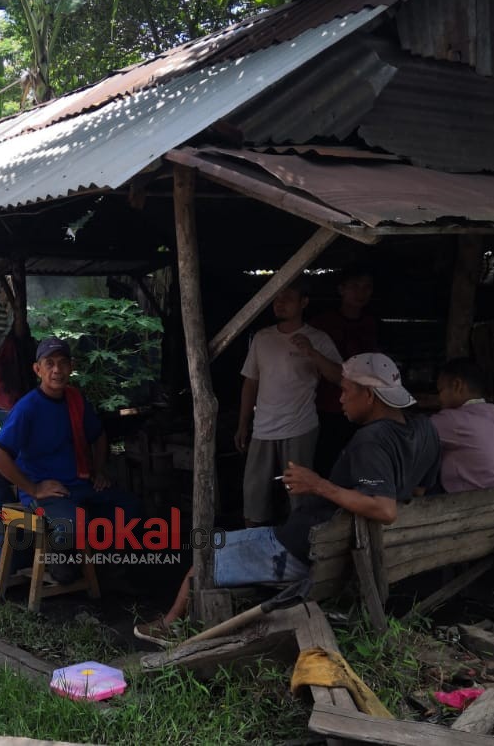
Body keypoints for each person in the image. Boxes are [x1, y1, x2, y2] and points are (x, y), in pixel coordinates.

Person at [135, 353, 440, 647]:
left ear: (370, 395)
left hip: (301, 551)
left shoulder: (371, 440)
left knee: (207, 550)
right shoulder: (425, 430)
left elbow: (385, 509)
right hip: (345, 550)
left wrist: (317, 485)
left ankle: (170, 626)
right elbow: (417, 494)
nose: (340, 399)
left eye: (346, 391)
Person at [0, 336, 142, 577]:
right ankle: (60, 566)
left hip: (80, 485)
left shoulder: (75, 399)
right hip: (48, 492)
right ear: (38, 369)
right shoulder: (28, 408)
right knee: (71, 534)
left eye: (62, 363)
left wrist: (99, 470)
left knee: (130, 508)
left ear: (71, 367)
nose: (57, 370)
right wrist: (34, 488)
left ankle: (112, 572)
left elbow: (99, 435)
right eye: (49, 363)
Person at [235, 279, 342, 527]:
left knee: (299, 498)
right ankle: (252, 543)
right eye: (277, 298)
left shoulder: (317, 338)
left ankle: (299, 544)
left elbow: (339, 377)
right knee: (253, 496)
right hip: (263, 428)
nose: (280, 303)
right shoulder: (262, 338)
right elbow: (250, 383)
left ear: (304, 302)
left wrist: (312, 353)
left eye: (288, 298)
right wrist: (243, 424)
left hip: (300, 427)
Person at [311, 263, 380, 476]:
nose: (361, 292)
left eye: (367, 287)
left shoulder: (371, 324)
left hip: (363, 406)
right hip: (328, 405)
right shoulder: (322, 325)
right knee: (327, 463)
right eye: (355, 286)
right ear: (341, 289)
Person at [427, 358, 494, 494]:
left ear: (457, 385)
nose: (438, 399)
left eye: (440, 391)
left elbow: (415, 434)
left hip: (473, 502)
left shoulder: (454, 420)